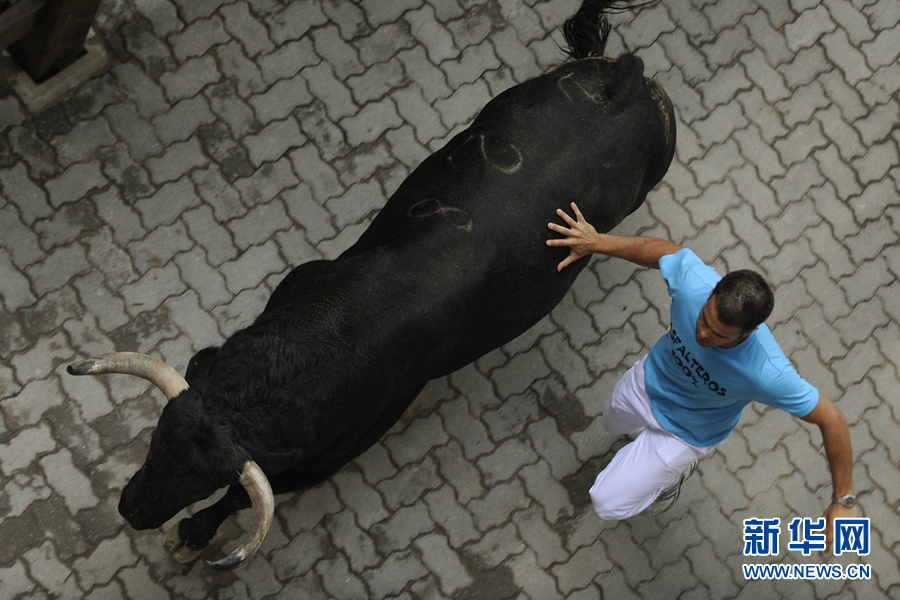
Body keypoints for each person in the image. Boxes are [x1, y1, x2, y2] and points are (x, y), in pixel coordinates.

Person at [547, 202, 857, 551]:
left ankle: (668, 482)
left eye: (718, 334)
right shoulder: (693, 284)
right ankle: (645, 456)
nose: (703, 335)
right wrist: (599, 241)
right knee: (611, 424)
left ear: (748, 332)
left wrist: (842, 501)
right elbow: (663, 252)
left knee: (606, 502)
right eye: (704, 320)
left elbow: (832, 419)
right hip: (648, 383)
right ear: (711, 293)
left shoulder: (767, 372)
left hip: (686, 434)